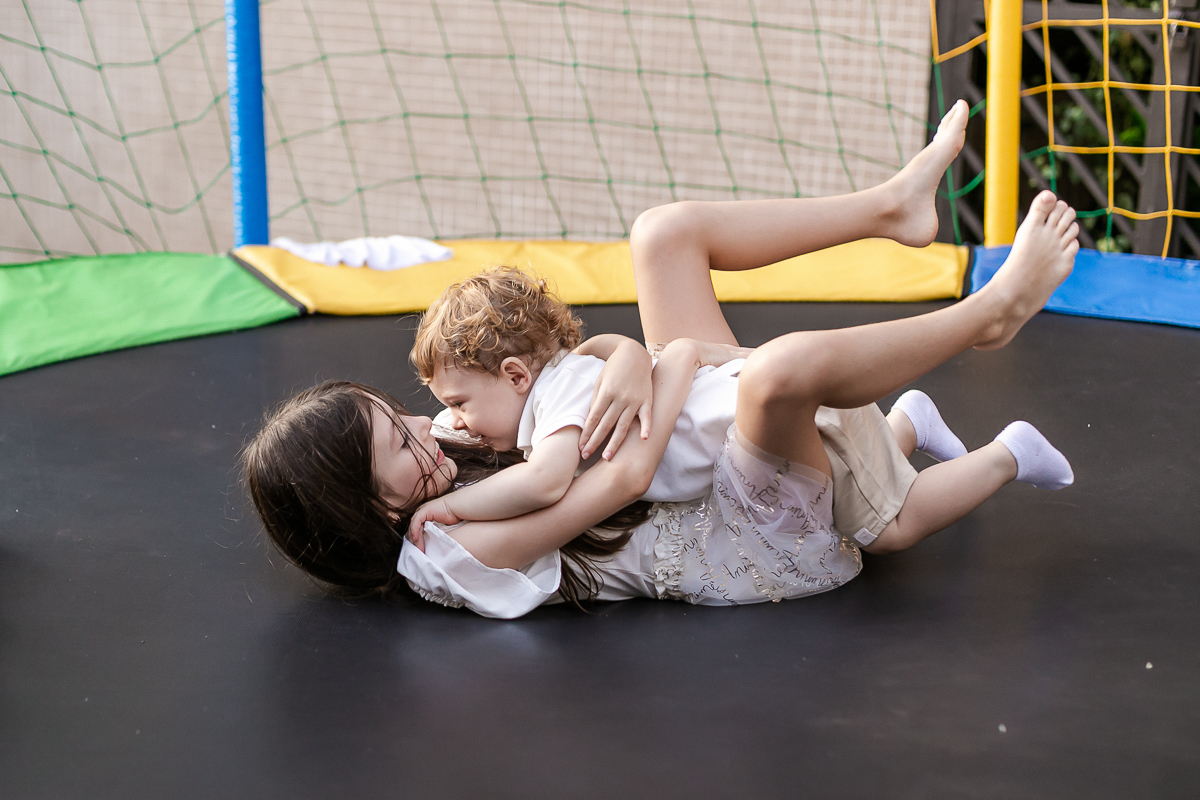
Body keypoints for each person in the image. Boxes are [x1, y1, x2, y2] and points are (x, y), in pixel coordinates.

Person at [242, 100, 1081, 618]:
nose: (425, 427)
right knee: (782, 372)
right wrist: (670, 360)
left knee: (662, 234)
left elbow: (563, 373)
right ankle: (985, 316)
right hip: (747, 539)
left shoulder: (439, 456)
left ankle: (890, 205)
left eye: (400, 415)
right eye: (398, 440)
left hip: (699, 454)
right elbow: (617, 479)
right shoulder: (445, 550)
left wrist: (625, 358)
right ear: (364, 509)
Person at [403, 264, 1070, 554]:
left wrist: (454, 506)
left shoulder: (559, 403)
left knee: (890, 528)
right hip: (771, 443)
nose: (456, 420)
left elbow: (547, 482)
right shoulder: (561, 386)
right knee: (851, 492)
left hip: (796, 424)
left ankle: (1009, 453)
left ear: (516, 374)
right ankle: (909, 423)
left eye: (460, 402)